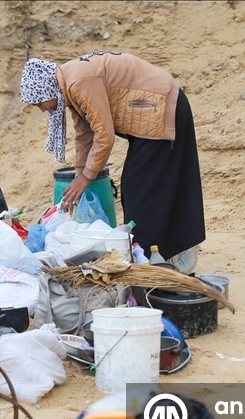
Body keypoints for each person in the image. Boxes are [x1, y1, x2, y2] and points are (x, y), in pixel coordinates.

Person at [20, 51, 206, 273]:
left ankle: (147, 261)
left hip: (161, 107)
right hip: (151, 112)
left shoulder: (79, 82)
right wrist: (79, 175)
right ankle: (161, 252)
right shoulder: (70, 84)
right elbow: (85, 134)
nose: (42, 109)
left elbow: (104, 135)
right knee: (144, 187)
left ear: (47, 89)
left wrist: (86, 177)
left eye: (39, 103)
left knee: (141, 190)